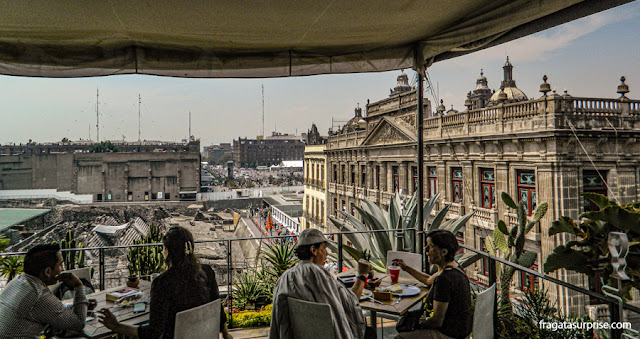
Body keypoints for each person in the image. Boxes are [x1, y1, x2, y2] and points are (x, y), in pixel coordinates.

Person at [98, 226, 233, 339]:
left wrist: (117, 326)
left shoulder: (163, 283)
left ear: (167, 252)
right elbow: (216, 305)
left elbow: (154, 333)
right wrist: (226, 334)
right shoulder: (207, 272)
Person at [269, 228, 370, 339]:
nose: (326, 253)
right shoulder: (321, 276)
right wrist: (362, 275)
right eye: (324, 248)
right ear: (314, 250)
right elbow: (351, 302)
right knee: (370, 333)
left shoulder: (284, 278)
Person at [392, 230, 472, 339]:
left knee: (400, 337)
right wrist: (405, 267)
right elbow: (429, 280)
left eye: (431, 246)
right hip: (461, 330)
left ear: (443, 252)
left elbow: (436, 321)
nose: (427, 251)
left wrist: (415, 324)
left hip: (450, 334)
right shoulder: (453, 267)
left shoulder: (444, 279)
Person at [0, 243, 88, 338]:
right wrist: (78, 286)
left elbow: (50, 310)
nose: (62, 269)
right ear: (48, 272)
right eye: (60, 264)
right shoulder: (38, 294)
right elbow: (78, 323)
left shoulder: (18, 281)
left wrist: (73, 306)